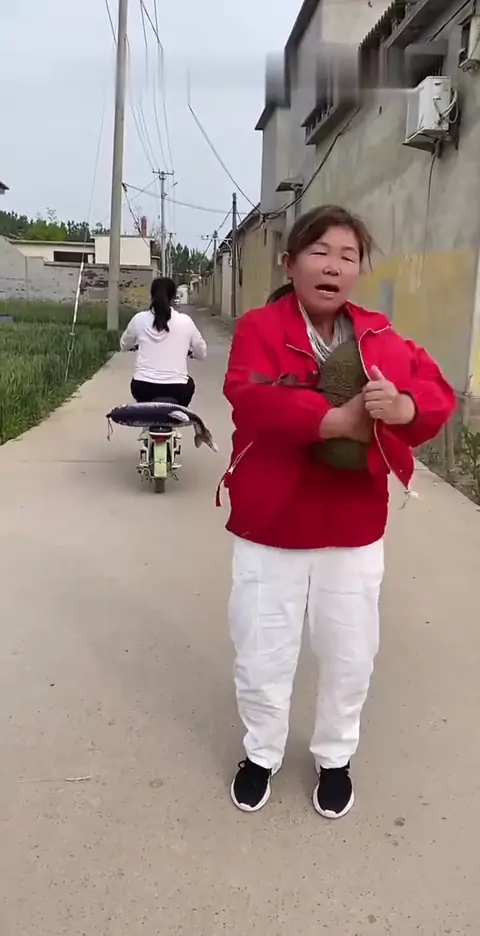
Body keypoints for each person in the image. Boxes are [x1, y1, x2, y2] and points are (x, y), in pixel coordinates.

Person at [220, 204, 456, 819]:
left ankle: (334, 757)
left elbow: (433, 390)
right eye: (319, 252)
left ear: (359, 270)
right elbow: (248, 396)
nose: (333, 266)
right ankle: (261, 753)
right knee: (262, 650)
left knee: (350, 653)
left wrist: (404, 408)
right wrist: (333, 421)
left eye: (348, 256)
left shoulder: (379, 334)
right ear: (290, 263)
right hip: (271, 522)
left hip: (352, 527)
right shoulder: (260, 328)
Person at [120, 277, 207, 407]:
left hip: (143, 388)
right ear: (174, 297)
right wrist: (193, 354)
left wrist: (132, 346)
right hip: (178, 390)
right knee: (189, 384)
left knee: (139, 388)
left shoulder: (138, 319)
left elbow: (124, 344)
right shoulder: (186, 321)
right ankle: (178, 415)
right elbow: (202, 353)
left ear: (151, 296)